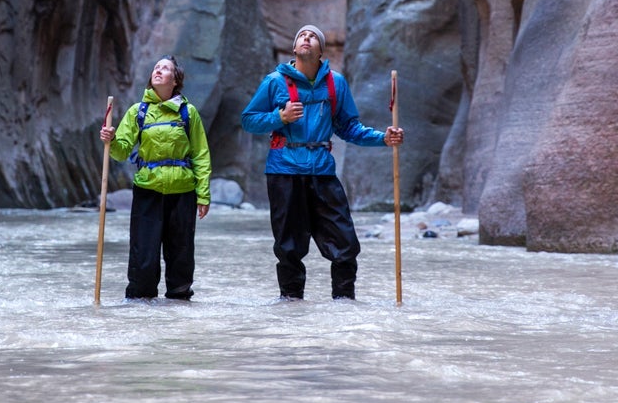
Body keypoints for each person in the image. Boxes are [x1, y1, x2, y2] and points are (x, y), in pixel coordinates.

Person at [241, 24, 403, 300]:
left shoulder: (335, 83)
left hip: (322, 172)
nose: (306, 38)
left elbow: (349, 127)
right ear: (294, 49)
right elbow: (248, 120)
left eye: (313, 36)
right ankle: (291, 308)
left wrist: (383, 139)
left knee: (345, 242)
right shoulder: (274, 82)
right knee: (289, 246)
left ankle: (344, 305)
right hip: (284, 171)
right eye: (301, 35)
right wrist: (279, 118)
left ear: (321, 51)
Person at [100, 56, 212, 300]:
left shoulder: (188, 112)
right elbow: (120, 152)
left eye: (165, 68)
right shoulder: (138, 111)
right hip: (147, 190)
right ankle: (141, 310)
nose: (158, 71)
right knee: (144, 256)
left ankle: (179, 306)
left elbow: (201, 155)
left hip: (183, 192)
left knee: (181, 255)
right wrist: (111, 139)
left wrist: (203, 194)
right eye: (156, 67)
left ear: (175, 80)